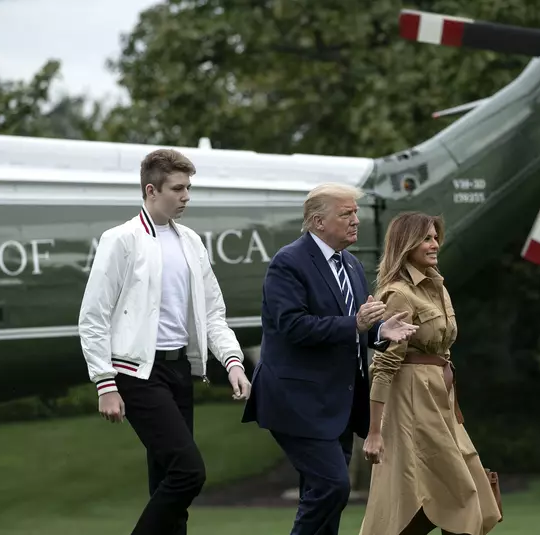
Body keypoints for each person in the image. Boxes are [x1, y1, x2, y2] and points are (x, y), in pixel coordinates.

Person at [77, 148, 252, 535]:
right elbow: (93, 318)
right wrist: (105, 384)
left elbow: (212, 314)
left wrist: (233, 361)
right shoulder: (119, 239)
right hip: (136, 373)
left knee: (167, 483)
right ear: (151, 190)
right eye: (178, 188)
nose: (186, 196)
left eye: (189, 187)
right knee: (189, 472)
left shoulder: (191, 242)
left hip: (178, 371)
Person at [242, 183, 418, 535]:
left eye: (355, 212)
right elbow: (292, 326)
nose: (356, 220)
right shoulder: (288, 262)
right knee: (332, 487)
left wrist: (380, 332)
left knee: (324, 497)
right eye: (346, 214)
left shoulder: (350, 264)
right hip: (296, 400)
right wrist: (356, 324)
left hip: (338, 402)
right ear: (318, 222)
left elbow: (354, 328)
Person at [358, 211, 502, 535]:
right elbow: (383, 365)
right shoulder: (397, 293)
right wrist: (375, 431)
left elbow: (442, 350)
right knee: (458, 492)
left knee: (460, 490)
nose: (434, 243)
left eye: (435, 236)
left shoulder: (438, 287)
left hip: (441, 398)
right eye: (426, 238)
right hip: (412, 401)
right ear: (406, 244)